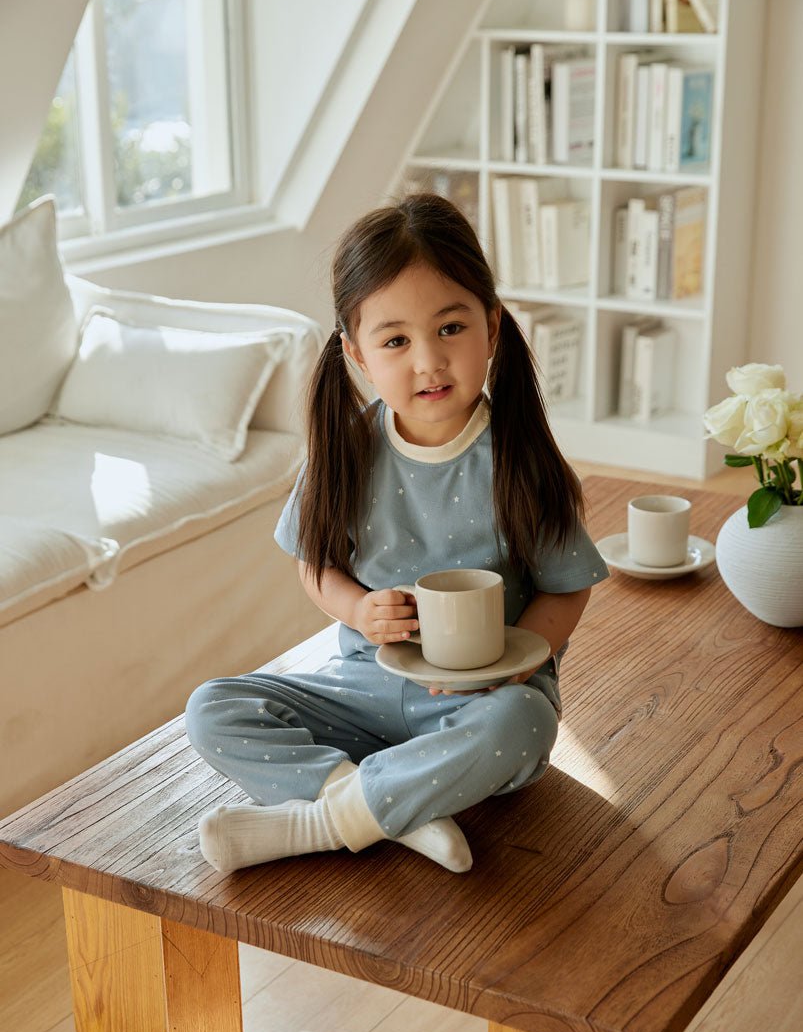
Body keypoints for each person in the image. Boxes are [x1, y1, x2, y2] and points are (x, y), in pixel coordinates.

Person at [185, 193, 608, 876]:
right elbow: (316, 564)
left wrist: (519, 661)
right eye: (395, 341)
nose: (427, 362)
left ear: (491, 327)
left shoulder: (521, 459)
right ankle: (388, 808)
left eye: (450, 329)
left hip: (481, 705)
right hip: (365, 689)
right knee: (213, 707)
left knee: (522, 728)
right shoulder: (346, 451)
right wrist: (355, 608)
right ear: (355, 353)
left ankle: (326, 822)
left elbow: (565, 591)